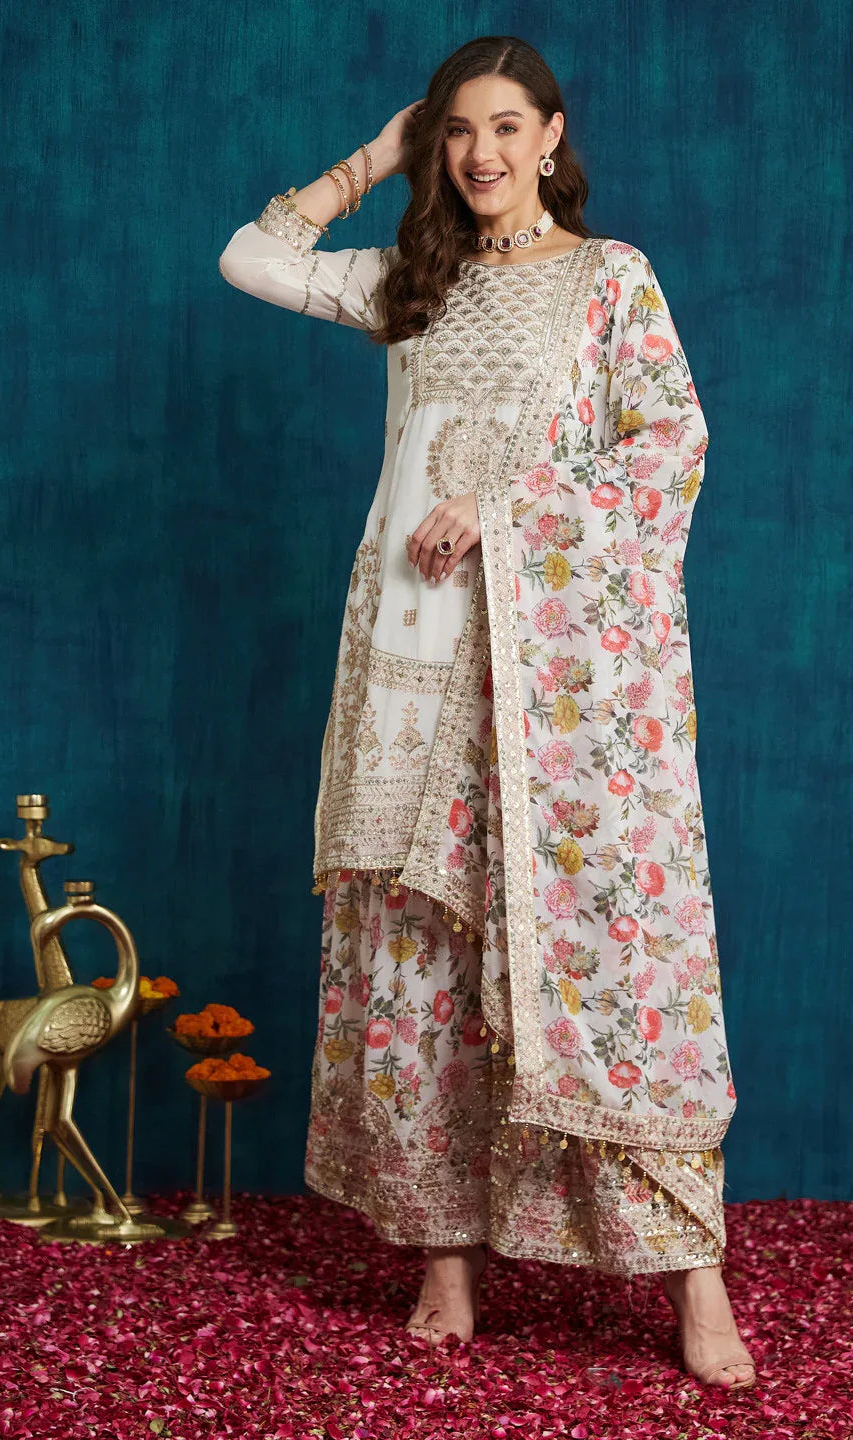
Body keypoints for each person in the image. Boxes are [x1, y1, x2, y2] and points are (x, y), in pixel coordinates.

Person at [218, 34, 755, 1391]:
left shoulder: (610, 280)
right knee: (421, 963)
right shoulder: (419, 286)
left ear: (555, 137)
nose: (482, 155)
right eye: (458, 132)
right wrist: (374, 154)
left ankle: (694, 1279)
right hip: (409, 665)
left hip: (565, 686)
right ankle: (444, 1256)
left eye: (507, 127)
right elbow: (256, 257)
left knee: (605, 947)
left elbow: (669, 448)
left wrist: (509, 514)